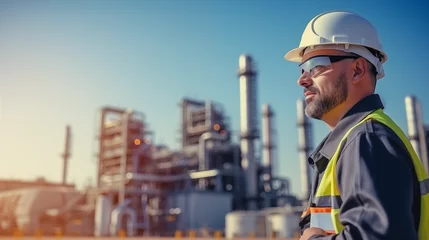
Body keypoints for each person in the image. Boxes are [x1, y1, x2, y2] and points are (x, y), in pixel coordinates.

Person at [284, 10, 429, 240]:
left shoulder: (367, 141)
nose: (302, 79)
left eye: (316, 65)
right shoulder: (350, 143)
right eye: (302, 69)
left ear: (358, 70)